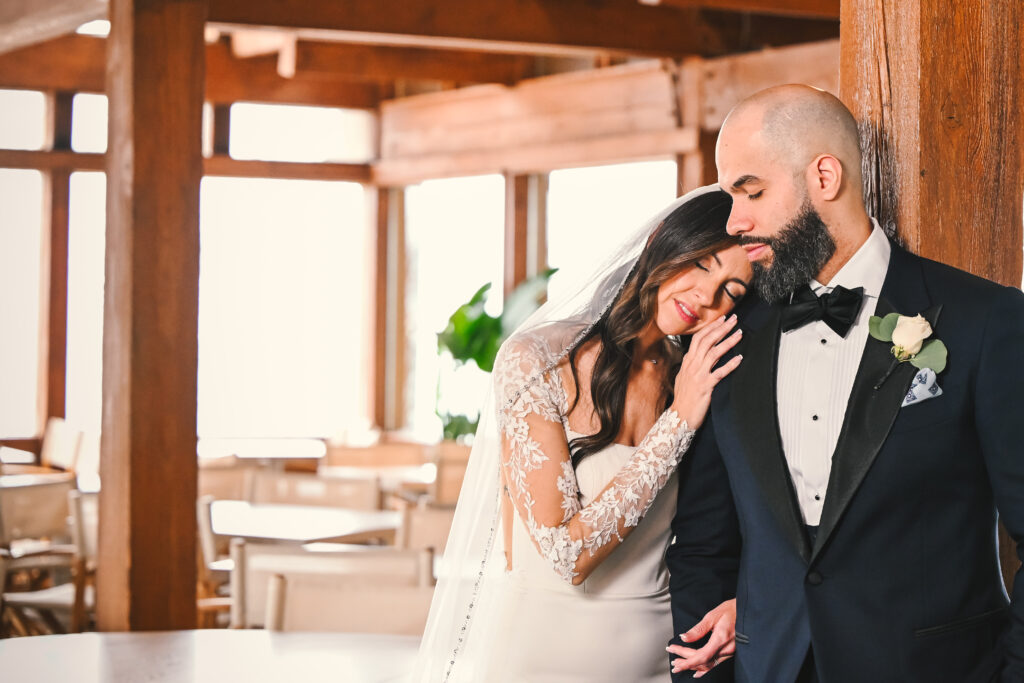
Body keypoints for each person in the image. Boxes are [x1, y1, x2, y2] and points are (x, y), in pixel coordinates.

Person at [666, 84, 1024, 682]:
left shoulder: (984, 321)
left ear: (824, 177)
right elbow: (704, 543)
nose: (735, 221)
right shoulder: (732, 336)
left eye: (751, 191)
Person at [412, 185, 753, 682]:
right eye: (701, 265)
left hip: (661, 658)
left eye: (732, 291)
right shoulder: (534, 360)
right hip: (542, 657)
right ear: (662, 241)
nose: (706, 297)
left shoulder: (695, 376)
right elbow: (566, 556)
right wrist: (679, 420)